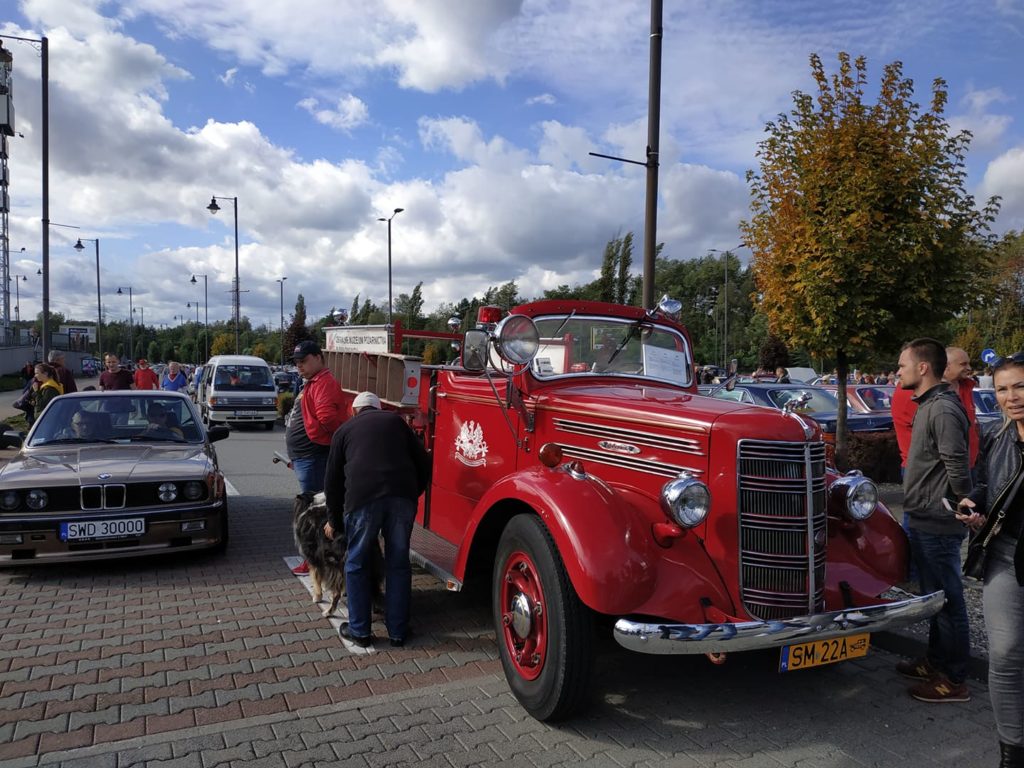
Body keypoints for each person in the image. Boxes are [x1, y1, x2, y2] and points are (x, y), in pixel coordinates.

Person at [896, 337, 974, 703]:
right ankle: (935, 661)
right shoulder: (930, 405)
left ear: (923, 367)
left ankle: (954, 679)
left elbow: (957, 464)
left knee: (949, 602)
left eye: (902, 365)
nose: (898, 371)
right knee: (935, 599)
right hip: (924, 517)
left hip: (939, 522)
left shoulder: (941, 409)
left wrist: (963, 503)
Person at [956, 352, 1024, 766]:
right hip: (1007, 555)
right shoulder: (998, 438)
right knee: (1005, 652)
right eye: (1002, 389)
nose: (1011, 396)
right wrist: (971, 503)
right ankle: (1012, 752)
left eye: (1020, 386)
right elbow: (985, 485)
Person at [323, 392, 430, 648]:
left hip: (363, 500)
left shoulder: (345, 430)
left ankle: (360, 631)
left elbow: (332, 482)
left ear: (354, 411)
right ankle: (398, 631)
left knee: (357, 562)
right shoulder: (397, 423)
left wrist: (334, 520)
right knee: (398, 563)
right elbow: (424, 462)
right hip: (401, 499)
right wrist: (412, 493)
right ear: (379, 408)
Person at [286, 341, 347, 575]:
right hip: (307, 456)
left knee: (316, 513)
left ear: (319, 358)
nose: (299, 366)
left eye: (304, 361)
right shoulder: (314, 382)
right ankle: (316, 558)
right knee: (313, 511)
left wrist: (334, 441)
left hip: (314, 455)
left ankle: (317, 560)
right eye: (297, 362)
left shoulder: (323, 382)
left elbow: (328, 418)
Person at [945, 346, 980, 472]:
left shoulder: (967, 387)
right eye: (963, 364)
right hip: (946, 470)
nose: (969, 368)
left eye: (968, 363)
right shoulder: (933, 393)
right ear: (946, 366)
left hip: (971, 465)